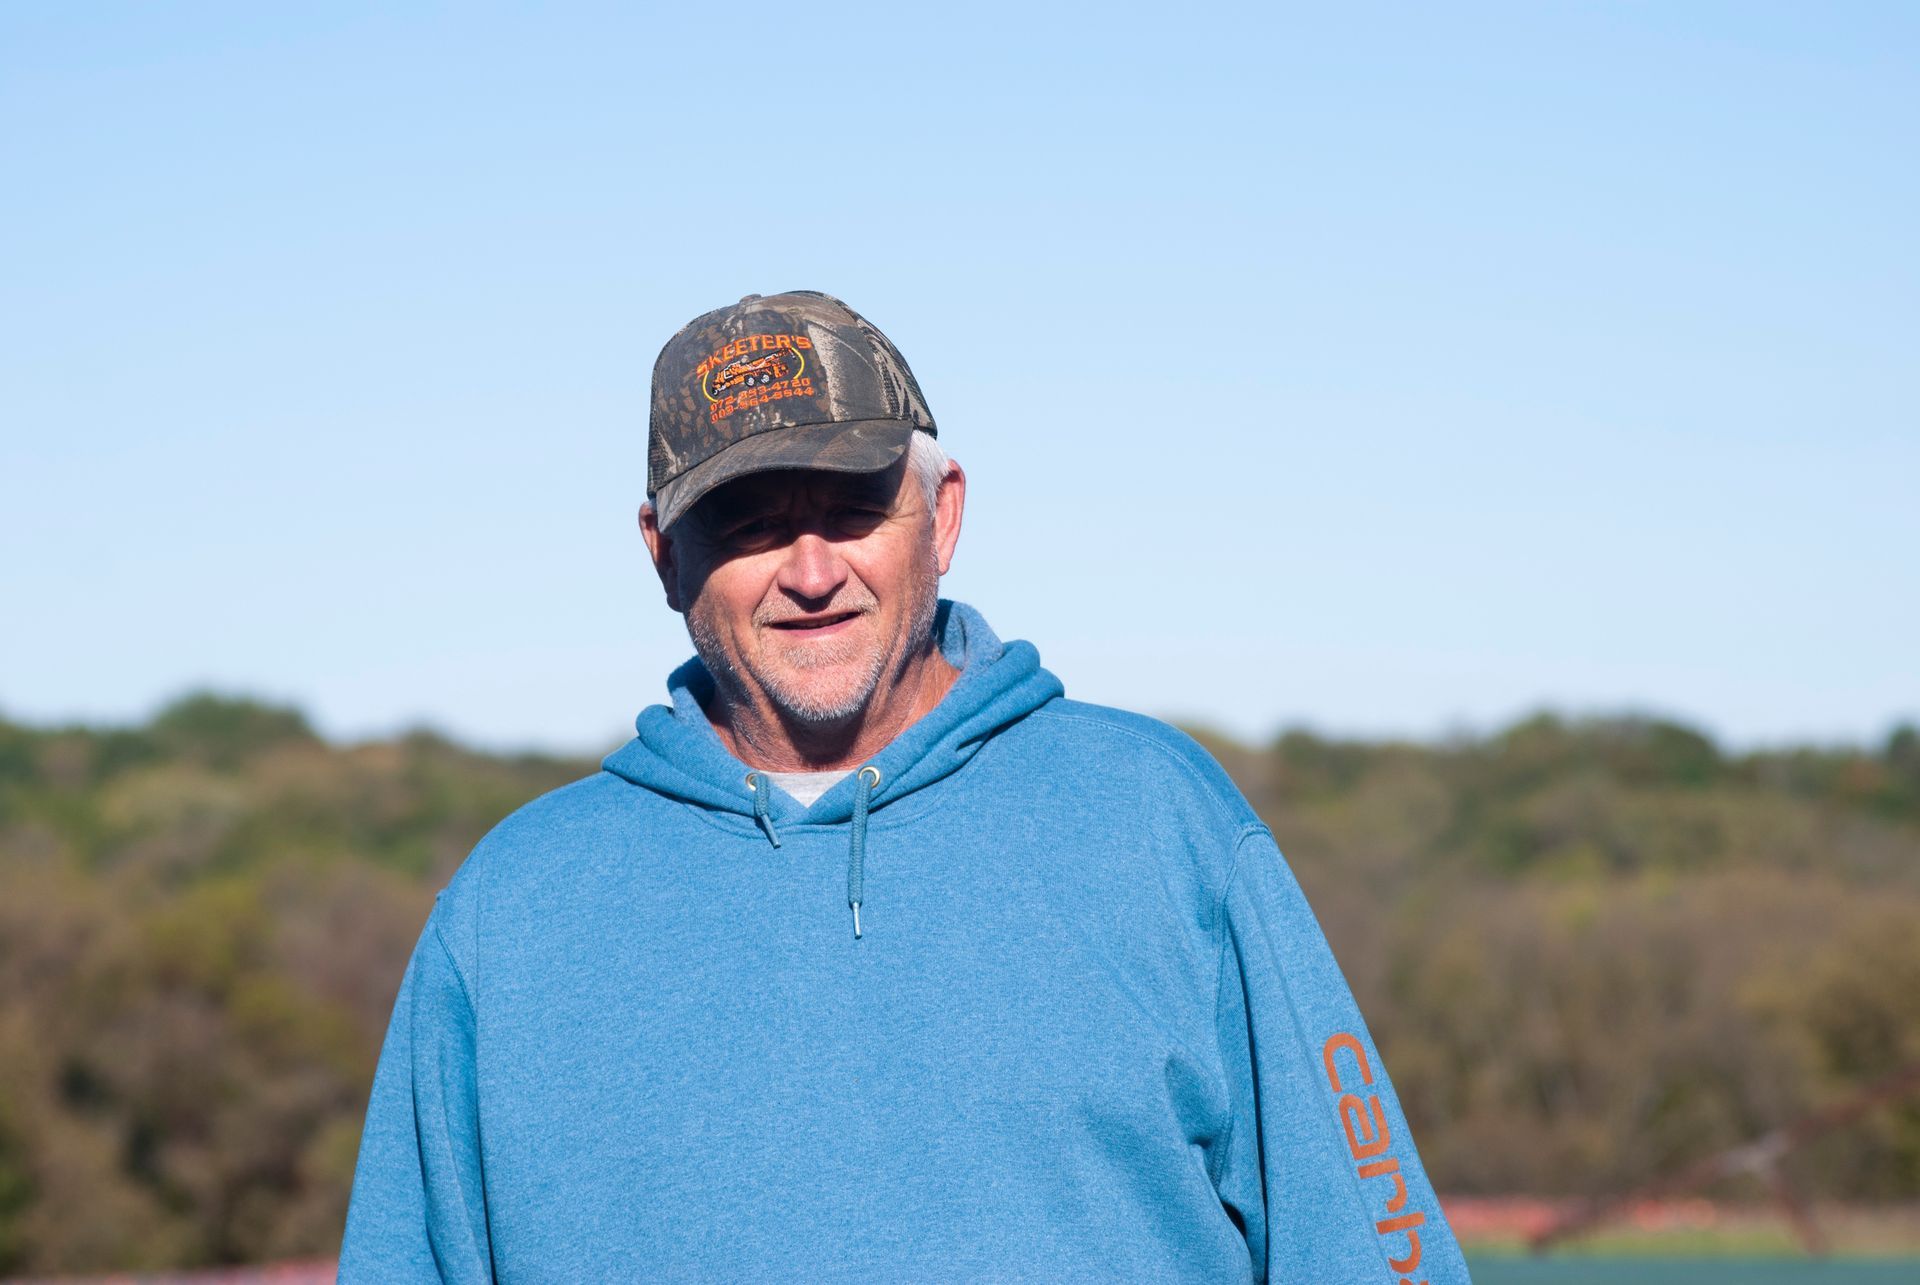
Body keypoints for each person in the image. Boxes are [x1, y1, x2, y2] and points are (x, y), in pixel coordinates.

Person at [338, 291, 1469, 1283]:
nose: (814, 569)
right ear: (663, 555)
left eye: (853, 507)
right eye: (752, 520)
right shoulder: (509, 915)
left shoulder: (1162, 824)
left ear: (946, 514)